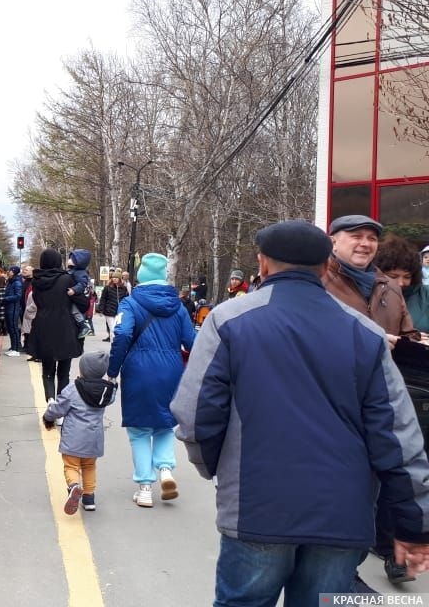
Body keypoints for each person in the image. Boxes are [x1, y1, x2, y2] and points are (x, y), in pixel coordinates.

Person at [171, 219, 429, 604]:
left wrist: (216, 468)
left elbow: (194, 417)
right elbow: (398, 435)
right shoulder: (367, 334)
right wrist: (414, 525)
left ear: (262, 264)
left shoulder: (229, 321)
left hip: (257, 506)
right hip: (343, 513)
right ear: (326, 266)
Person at [106, 253, 196, 508]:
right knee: (165, 424)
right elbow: (192, 342)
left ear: (141, 275)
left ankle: (145, 487)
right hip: (171, 371)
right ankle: (166, 470)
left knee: (139, 431)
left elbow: (122, 333)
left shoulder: (131, 303)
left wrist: (113, 370)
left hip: (138, 370)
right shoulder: (177, 306)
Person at [322, 215, 419, 349]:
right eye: (356, 236)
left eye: (372, 238)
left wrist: (414, 342)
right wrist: (370, 342)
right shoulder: (316, 282)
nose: (365, 244)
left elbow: (407, 334)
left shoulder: (391, 286)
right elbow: (305, 336)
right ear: (333, 243)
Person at [41, 350, 116, 514]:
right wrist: (112, 380)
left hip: (73, 439)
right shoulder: (106, 391)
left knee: (71, 466)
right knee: (89, 466)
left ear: (83, 370)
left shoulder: (73, 389)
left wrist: (48, 417)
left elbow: (58, 408)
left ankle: (74, 487)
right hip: (94, 439)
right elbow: (112, 396)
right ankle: (89, 499)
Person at [27, 248, 86, 402]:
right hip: (65, 327)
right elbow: (83, 303)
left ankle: (50, 401)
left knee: (47, 370)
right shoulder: (67, 279)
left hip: (43, 327)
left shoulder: (36, 281)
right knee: (64, 372)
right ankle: (60, 405)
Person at [376, 234, 429, 335]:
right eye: (393, 276)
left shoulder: (426, 294)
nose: (400, 283)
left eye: (407, 277)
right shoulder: (370, 294)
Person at [66, 249, 95, 338]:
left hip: (76, 297)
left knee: (75, 312)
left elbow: (82, 284)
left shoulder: (80, 272)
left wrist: (74, 290)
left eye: (72, 259)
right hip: (73, 298)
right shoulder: (73, 271)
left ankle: (84, 326)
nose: (69, 260)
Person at [98, 269, 130, 342]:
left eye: (116, 278)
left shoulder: (124, 289)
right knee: (112, 329)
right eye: (113, 277)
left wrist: (126, 310)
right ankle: (113, 346)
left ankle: (117, 345)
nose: (114, 279)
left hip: (119, 312)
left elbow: (127, 300)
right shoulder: (107, 288)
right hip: (109, 312)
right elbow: (103, 299)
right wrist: (100, 310)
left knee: (118, 329)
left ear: (119, 279)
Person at [3, 266, 24, 356]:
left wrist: (6, 299)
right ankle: (12, 347)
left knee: (13, 328)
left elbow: (18, 296)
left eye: (10, 271)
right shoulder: (11, 282)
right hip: (9, 308)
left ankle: (15, 350)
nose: (9, 272)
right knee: (10, 329)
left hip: (13, 309)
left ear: (14, 272)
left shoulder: (16, 283)